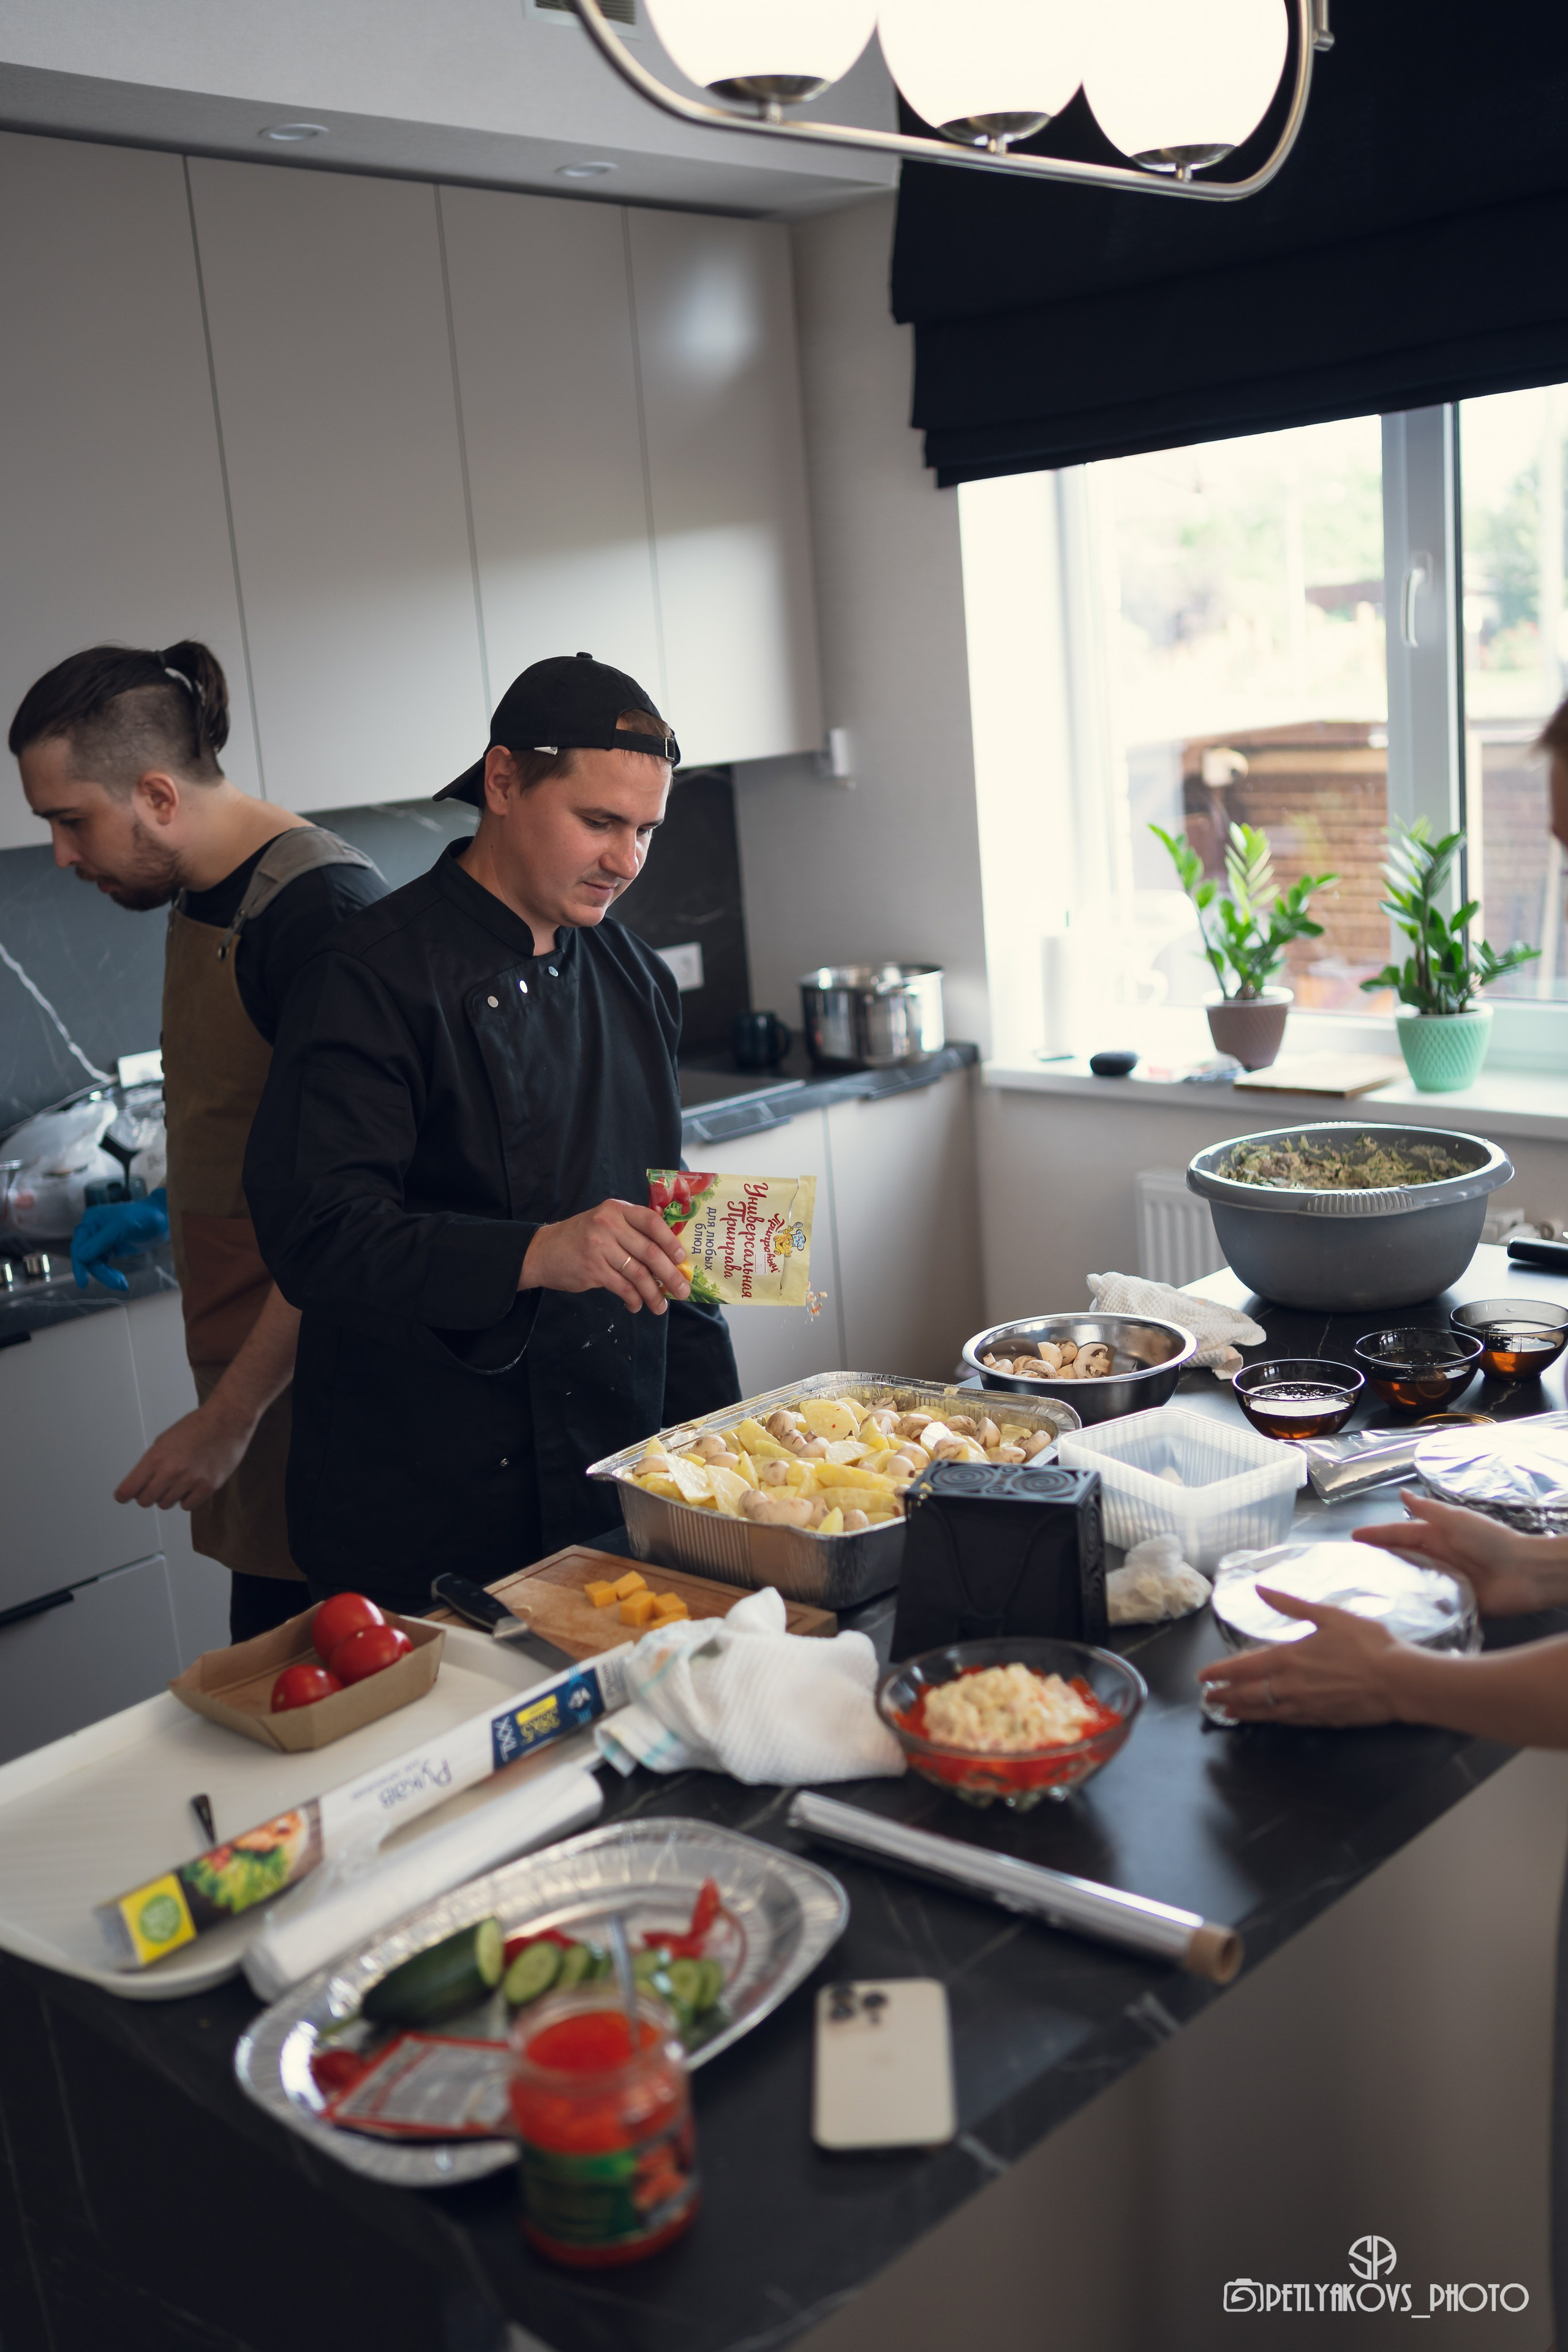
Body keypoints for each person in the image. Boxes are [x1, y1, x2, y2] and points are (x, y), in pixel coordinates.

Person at [244, 652, 739, 1615]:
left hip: (614, 1465)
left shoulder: (637, 977)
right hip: (430, 1498)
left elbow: (665, 1215)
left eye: (644, 830)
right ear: (504, 781)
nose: (627, 861)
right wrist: (540, 1252)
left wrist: (718, 1450)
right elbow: (320, 1237)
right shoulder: (370, 977)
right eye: (599, 823)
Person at [9, 643, 385, 1638]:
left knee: (332, 1697)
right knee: (269, 1686)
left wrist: (228, 1421)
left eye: (69, 820)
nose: (60, 854)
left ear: (160, 796)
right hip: (251, 1369)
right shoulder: (205, 891)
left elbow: (361, 1213)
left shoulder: (320, 917)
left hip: (329, 1391)